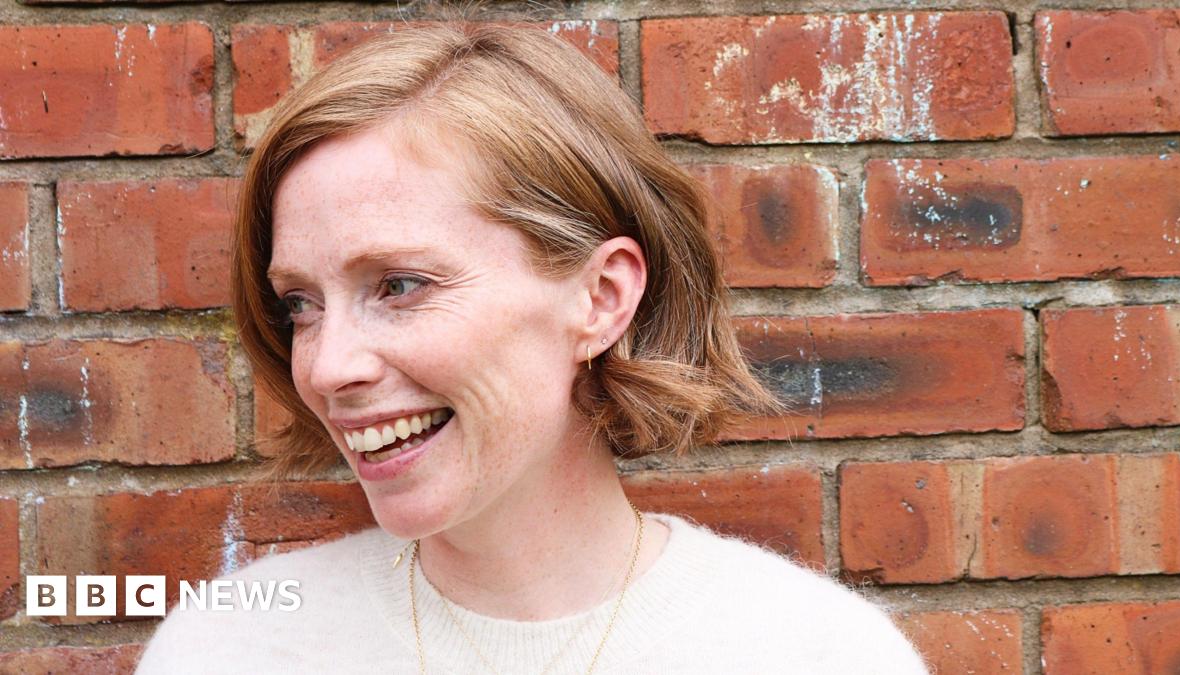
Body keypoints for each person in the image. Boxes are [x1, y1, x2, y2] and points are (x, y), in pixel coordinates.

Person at [135, 8, 929, 674]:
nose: (328, 366)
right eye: (301, 304)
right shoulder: (231, 649)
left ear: (600, 297)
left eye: (399, 286)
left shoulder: (812, 652)